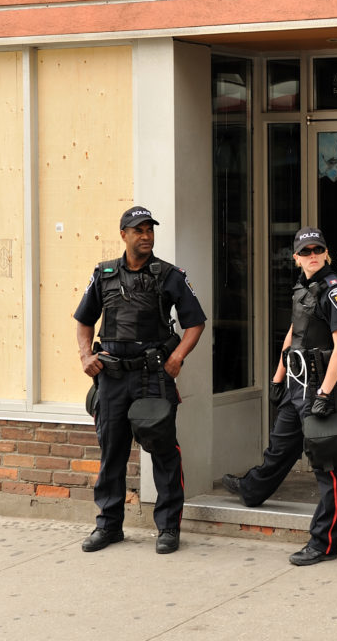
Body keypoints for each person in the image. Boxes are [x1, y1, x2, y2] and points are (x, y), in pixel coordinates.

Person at [74, 205, 206, 555]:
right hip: (112, 377)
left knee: (163, 452)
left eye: (150, 230)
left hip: (152, 377)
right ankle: (109, 526)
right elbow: (84, 319)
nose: (146, 235)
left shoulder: (170, 275)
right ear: (124, 235)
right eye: (138, 230)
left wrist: (178, 357)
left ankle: (168, 529)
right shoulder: (103, 274)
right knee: (112, 451)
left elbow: (195, 322)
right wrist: (86, 355)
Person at [221, 226, 337, 566]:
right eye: (305, 252)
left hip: (322, 388)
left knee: (328, 467)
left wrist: (324, 393)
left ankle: (323, 545)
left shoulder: (334, 291)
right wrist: (277, 378)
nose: (312, 257)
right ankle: (252, 490)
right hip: (297, 384)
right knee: (280, 448)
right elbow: (293, 335)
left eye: (317, 251)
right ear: (295, 258)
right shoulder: (302, 288)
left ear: (327, 253)